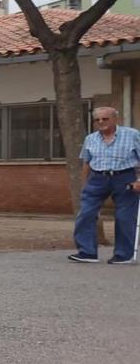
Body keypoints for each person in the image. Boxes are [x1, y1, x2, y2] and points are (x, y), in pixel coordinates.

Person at [67, 105, 138, 264]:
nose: (101, 122)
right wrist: (85, 184)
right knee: (85, 213)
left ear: (115, 119)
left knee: (124, 216)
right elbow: (87, 162)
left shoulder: (132, 135)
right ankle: (87, 252)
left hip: (124, 177)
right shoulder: (90, 139)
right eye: (97, 119)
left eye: (105, 119)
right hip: (98, 178)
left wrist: (138, 181)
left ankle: (123, 255)